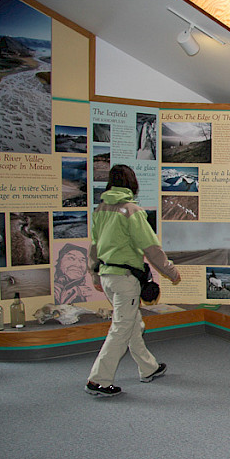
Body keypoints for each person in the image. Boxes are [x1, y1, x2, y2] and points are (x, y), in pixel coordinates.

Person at [85, 164, 181, 397]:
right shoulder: (132, 211)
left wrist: (95, 274)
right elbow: (151, 248)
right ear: (132, 184)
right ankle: (98, 380)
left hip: (108, 277)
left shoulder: (101, 210)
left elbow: (94, 247)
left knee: (132, 325)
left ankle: (148, 368)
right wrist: (170, 271)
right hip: (125, 280)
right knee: (121, 328)